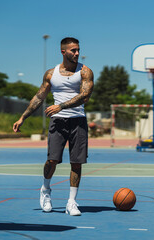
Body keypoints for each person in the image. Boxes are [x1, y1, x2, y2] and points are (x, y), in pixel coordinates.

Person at [13, 37, 94, 216]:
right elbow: (39, 97)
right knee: (52, 160)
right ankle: (45, 189)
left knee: (77, 163)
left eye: (78, 49)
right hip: (58, 122)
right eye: (73, 50)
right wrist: (22, 117)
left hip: (78, 120)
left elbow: (84, 95)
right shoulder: (51, 74)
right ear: (63, 51)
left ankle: (71, 202)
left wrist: (61, 106)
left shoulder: (85, 72)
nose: (77, 53)